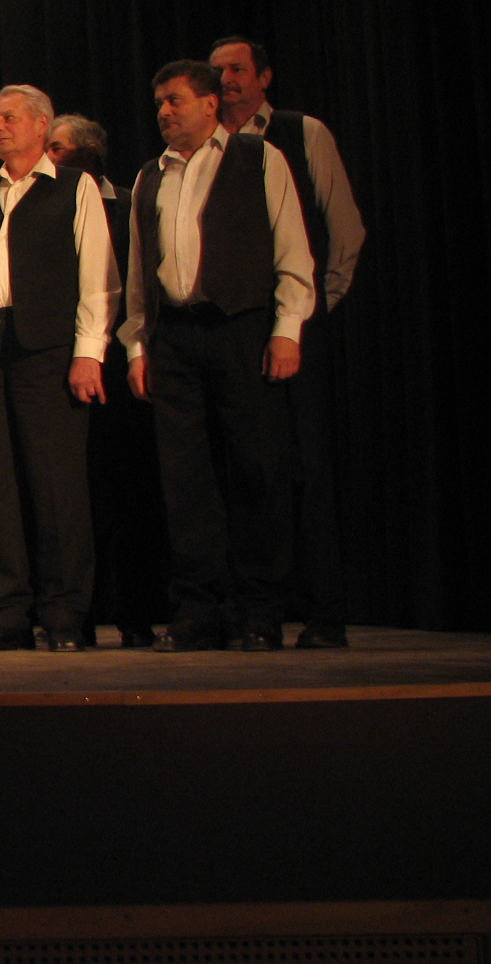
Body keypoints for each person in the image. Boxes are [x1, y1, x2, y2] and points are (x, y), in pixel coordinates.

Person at [120, 60, 315, 651]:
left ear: (210, 103)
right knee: (185, 480)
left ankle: (260, 610)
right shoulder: (150, 176)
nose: (163, 112)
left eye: (175, 100)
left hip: (240, 328)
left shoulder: (258, 158)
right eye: (159, 102)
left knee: (255, 470)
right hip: (174, 337)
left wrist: (287, 328)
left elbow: (292, 248)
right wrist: (137, 345)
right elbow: (140, 270)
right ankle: (198, 609)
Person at [0, 85, 121, 652]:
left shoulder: (73, 186)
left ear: (42, 125)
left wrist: (89, 351)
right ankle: (7, 613)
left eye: (10, 117)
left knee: (55, 483)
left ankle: (65, 614)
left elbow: (98, 275)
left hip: (47, 347)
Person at [209, 36, 367, 649]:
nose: (227, 79)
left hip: (297, 329)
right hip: (235, 335)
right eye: (218, 71)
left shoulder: (302, 133)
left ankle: (325, 610)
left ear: (265, 76)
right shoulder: (208, 147)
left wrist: (310, 312)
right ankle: (254, 609)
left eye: (238, 69)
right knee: (248, 470)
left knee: (307, 468)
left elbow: (344, 229)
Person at [46, 115, 165, 648]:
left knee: (132, 493)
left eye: (57, 147)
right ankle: (76, 614)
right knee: (75, 493)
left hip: (123, 360)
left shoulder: (128, 203)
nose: (49, 157)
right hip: (66, 361)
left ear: (89, 152)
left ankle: (137, 613)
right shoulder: (48, 203)